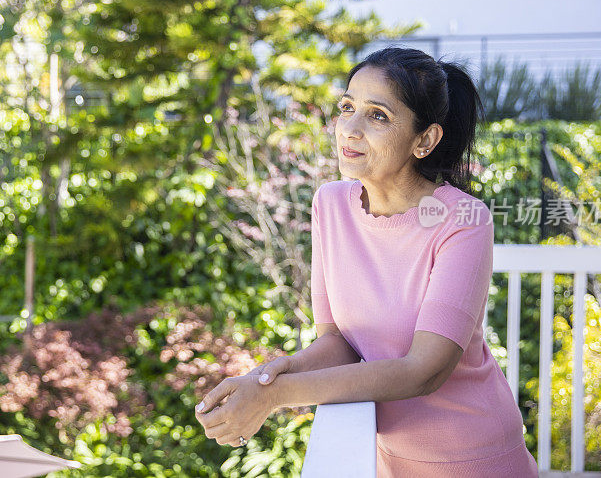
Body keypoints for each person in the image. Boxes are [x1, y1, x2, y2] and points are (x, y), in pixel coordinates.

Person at [194, 46, 539, 477]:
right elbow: (338, 341)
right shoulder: (330, 205)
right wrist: (270, 377)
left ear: (425, 140)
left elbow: (424, 371)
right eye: (347, 107)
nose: (350, 129)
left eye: (377, 116)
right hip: (390, 461)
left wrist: (275, 396)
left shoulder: (463, 221)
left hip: (473, 458)